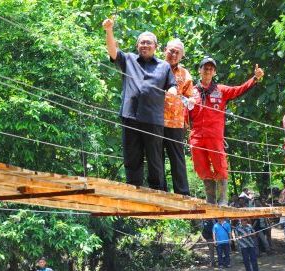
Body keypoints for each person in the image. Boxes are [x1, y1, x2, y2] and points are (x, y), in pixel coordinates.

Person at [102, 17, 177, 190]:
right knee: (132, 156)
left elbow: (172, 86)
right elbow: (113, 52)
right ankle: (133, 189)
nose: (145, 45)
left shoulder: (164, 66)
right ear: (137, 46)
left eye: (148, 43)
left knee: (155, 157)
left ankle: (157, 191)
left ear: (156, 47)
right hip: (130, 116)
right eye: (142, 42)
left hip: (153, 118)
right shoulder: (128, 59)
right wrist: (109, 30)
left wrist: (172, 92)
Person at [189, 56, 265, 205]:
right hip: (196, 136)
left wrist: (254, 79)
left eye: (211, 68)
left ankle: (223, 199)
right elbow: (184, 111)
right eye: (205, 68)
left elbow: (239, 90)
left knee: (220, 165)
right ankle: (210, 199)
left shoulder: (221, 90)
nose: (208, 70)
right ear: (199, 70)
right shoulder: (191, 91)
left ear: (215, 72)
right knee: (200, 166)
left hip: (215, 136)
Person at [160, 38, 194, 195]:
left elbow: (190, 97)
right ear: (165, 50)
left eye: (177, 53)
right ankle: (159, 190)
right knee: (156, 156)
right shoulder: (155, 66)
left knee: (177, 158)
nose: (173, 55)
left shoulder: (185, 74)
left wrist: (191, 100)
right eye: (171, 51)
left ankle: (182, 192)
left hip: (176, 122)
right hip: (155, 119)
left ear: (182, 56)